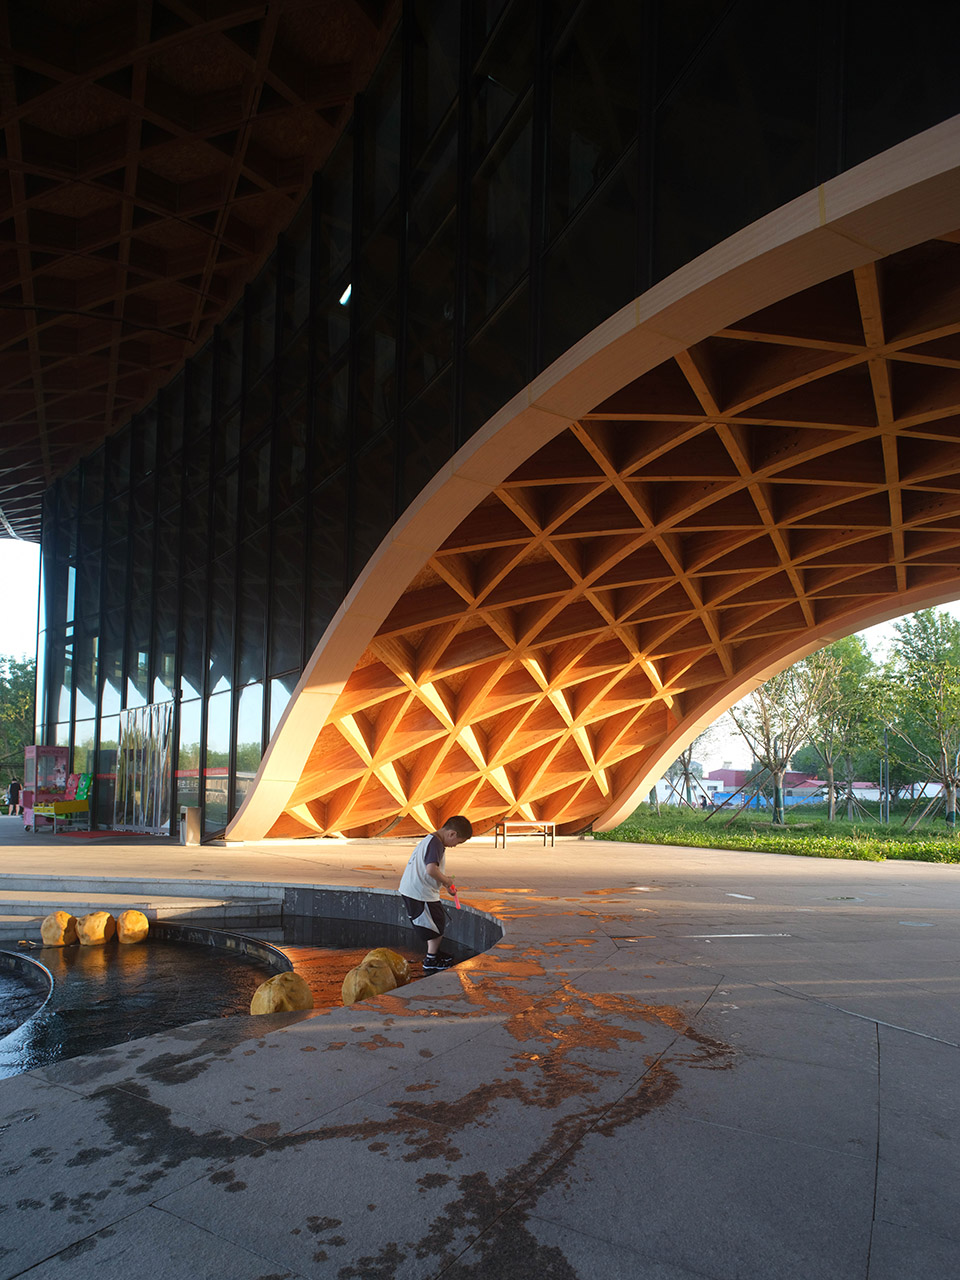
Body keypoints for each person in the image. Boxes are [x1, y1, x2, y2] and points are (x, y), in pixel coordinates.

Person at [398, 814, 473, 972]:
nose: (455, 846)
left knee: (436, 921)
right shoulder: (436, 844)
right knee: (435, 925)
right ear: (451, 834)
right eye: (458, 842)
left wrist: (445, 884)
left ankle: (435, 953)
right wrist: (447, 881)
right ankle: (431, 959)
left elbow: (431, 870)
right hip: (420, 892)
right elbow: (431, 869)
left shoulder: (431, 839)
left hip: (417, 890)